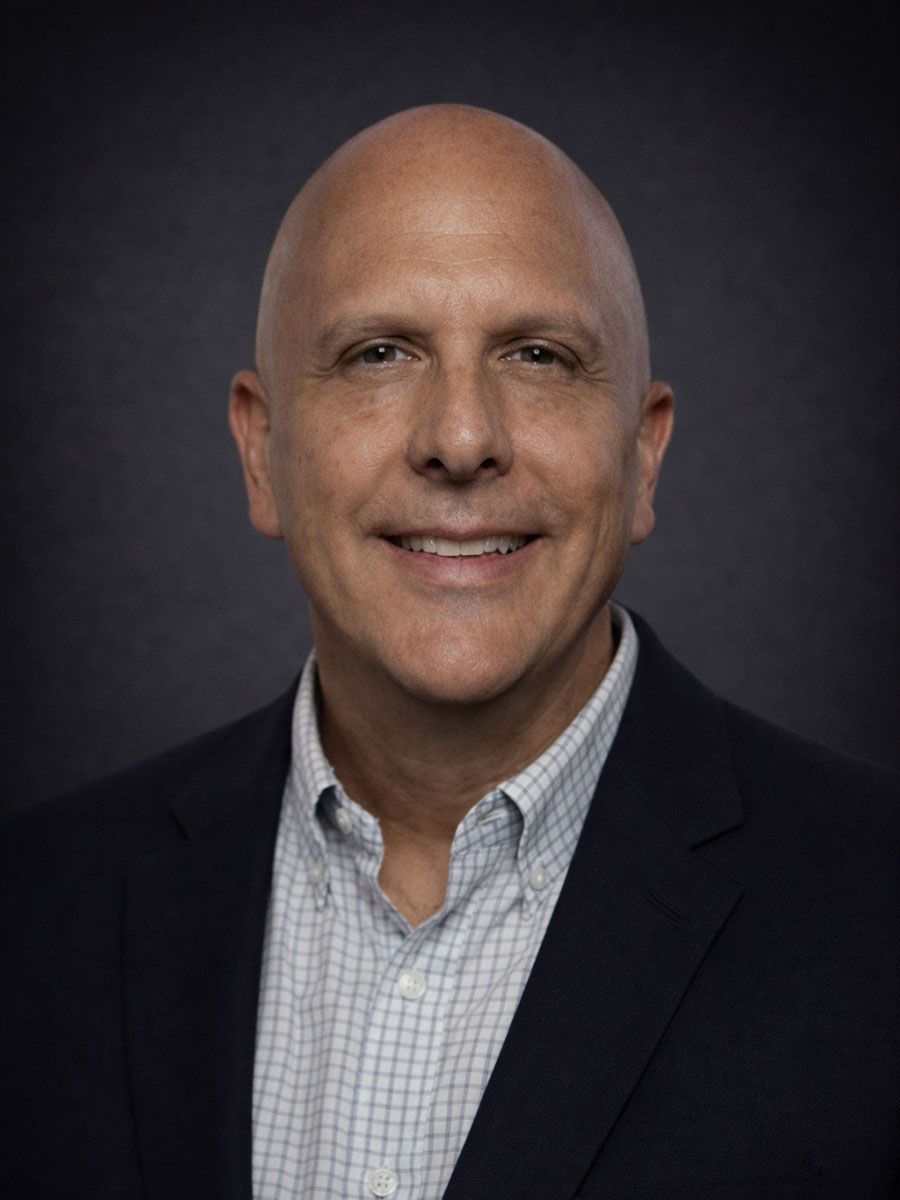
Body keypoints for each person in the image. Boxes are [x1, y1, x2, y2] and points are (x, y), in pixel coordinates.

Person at [2, 105, 898, 1200]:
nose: (462, 439)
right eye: (379, 353)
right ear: (261, 449)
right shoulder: (35, 911)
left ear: (645, 455)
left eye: (539, 355)